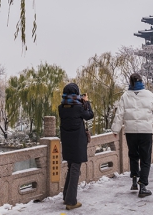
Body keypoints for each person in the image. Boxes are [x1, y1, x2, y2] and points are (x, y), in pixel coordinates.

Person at [111, 73, 153, 197]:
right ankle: (143, 187)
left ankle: (134, 181)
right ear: (141, 81)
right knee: (145, 159)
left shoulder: (125, 96)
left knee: (133, 156)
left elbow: (119, 114)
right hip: (145, 131)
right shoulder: (148, 94)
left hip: (130, 132)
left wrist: (115, 130)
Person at [58, 82, 94, 210]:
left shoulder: (61, 107)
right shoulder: (79, 107)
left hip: (67, 141)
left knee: (71, 166)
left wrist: (81, 102)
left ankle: (66, 195)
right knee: (75, 169)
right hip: (78, 142)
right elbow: (89, 115)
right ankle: (71, 201)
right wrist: (87, 102)